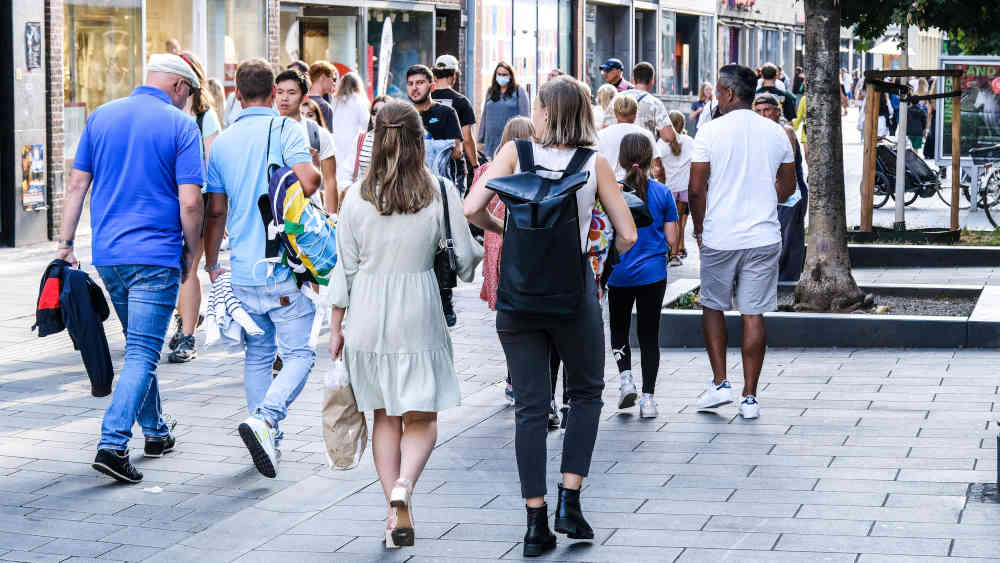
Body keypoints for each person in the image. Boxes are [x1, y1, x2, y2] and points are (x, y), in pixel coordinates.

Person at [464, 75, 638, 558]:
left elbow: (471, 207)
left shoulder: (516, 153)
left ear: (545, 112)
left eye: (538, 106)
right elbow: (627, 234)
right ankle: (570, 500)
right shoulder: (594, 163)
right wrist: (596, 266)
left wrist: (507, 229)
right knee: (585, 394)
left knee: (530, 407)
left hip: (518, 297)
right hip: (572, 294)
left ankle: (535, 522)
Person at [328, 100, 483, 549]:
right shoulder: (438, 191)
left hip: (367, 313)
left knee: (384, 415)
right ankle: (406, 487)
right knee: (422, 414)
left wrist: (336, 327)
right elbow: (466, 257)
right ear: (420, 141)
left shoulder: (356, 196)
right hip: (418, 306)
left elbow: (345, 269)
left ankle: (396, 511)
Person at [57, 53, 204, 483]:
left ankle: (156, 432)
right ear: (179, 86)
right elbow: (191, 201)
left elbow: (76, 185)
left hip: (109, 254)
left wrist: (65, 245)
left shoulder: (101, 117)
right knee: (142, 351)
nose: (188, 102)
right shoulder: (181, 127)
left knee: (140, 345)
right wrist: (191, 253)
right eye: (189, 95)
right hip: (156, 254)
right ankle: (113, 442)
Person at [202, 58, 322, 479]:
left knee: (257, 353)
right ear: (274, 94)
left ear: (236, 94)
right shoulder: (288, 128)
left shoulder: (223, 142)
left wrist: (212, 262)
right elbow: (309, 181)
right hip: (281, 267)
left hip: (243, 269)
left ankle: (267, 436)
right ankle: (267, 419)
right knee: (301, 354)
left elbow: (214, 212)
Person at [689, 64, 796, 421]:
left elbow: (695, 188)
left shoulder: (709, 132)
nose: (716, 97)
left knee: (713, 306)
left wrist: (701, 229)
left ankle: (720, 384)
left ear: (730, 94)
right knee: (754, 313)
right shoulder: (777, 133)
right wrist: (766, 198)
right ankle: (749, 397)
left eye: (719, 91)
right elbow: (789, 187)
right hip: (763, 235)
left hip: (720, 236)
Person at [608, 133, 679, 418]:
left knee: (618, 329)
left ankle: (626, 380)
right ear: (651, 159)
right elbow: (673, 238)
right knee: (649, 335)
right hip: (653, 274)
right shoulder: (663, 193)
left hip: (618, 273)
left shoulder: (612, 191)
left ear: (622, 160)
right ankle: (648, 400)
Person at [166, 51, 221, 364]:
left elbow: (215, 161)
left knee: (187, 267)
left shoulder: (204, 117)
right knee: (172, 268)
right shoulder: (163, 112)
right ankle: (186, 317)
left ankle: (187, 335)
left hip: (196, 199)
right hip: (166, 200)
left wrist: (216, 206)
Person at [407, 64, 464, 327]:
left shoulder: (446, 113)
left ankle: (445, 297)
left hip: (438, 189)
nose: (414, 88)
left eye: (420, 83)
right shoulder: (404, 115)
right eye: (410, 83)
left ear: (431, 85)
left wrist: (430, 148)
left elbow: (456, 149)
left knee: (442, 244)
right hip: (407, 190)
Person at [754, 93, 807, 282]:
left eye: (767, 110)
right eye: (758, 111)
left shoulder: (786, 131)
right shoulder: (756, 134)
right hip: (768, 192)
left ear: (777, 112)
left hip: (791, 191)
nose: (762, 115)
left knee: (789, 237)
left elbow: (785, 165)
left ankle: (787, 281)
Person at [275, 69, 339, 213]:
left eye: (291, 93)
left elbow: (330, 181)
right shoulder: (267, 129)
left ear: (304, 97)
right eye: (280, 92)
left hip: (308, 218)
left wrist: (332, 220)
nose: (284, 98)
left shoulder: (317, 133)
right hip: (273, 215)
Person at [432, 54, 480, 182]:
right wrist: (475, 165)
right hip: (453, 165)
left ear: (435, 75)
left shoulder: (424, 101)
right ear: (454, 75)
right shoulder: (461, 101)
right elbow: (467, 139)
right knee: (454, 200)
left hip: (427, 164)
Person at [658, 110, 693, 266]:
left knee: (665, 220)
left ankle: (668, 252)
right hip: (684, 186)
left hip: (667, 187)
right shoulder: (689, 141)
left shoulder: (661, 143)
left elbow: (656, 168)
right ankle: (675, 253)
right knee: (678, 220)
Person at [597, 95, 658, 181]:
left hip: (609, 186)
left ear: (615, 113)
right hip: (640, 186)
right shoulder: (646, 135)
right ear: (636, 113)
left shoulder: (601, 135)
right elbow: (657, 165)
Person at [477, 62, 531, 159]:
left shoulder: (519, 91)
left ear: (510, 76)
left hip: (509, 140)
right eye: (499, 74)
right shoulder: (491, 91)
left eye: (504, 74)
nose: (501, 77)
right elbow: (485, 116)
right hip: (490, 142)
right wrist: (480, 140)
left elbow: (525, 118)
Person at [329, 71, 370, 190]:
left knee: (336, 172)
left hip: (335, 140)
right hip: (352, 140)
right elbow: (367, 122)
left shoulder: (335, 101)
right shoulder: (359, 100)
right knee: (348, 171)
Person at [622, 62, 670, 141]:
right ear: (652, 81)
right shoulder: (655, 103)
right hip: (644, 150)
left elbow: (605, 128)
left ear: (633, 80)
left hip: (620, 151)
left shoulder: (617, 99)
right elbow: (668, 136)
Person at [354, 95, 390, 183]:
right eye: (374, 112)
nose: (377, 116)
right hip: (361, 191)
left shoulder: (396, 141)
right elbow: (349, 170)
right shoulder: (361, 139)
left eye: (382, 112)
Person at [307, 61, 338, 133]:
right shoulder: (324, 106)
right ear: (322, 77)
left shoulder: (300, 101)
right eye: (333, 79)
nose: (334, 83)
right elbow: (327, 139)